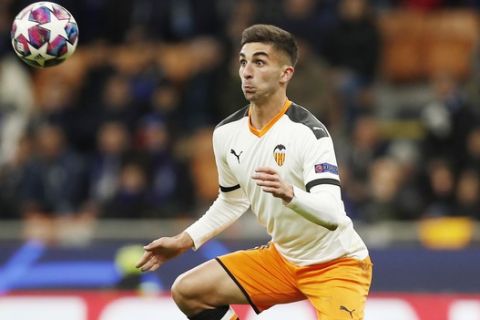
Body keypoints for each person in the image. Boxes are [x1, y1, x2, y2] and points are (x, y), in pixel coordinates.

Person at [136, 24, 372, 320]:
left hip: (336, 264)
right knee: (187, 291)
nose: (247, 71)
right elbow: (232, 200)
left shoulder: (310, 133)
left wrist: (290, 194)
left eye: (259, 62)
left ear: (286, 73)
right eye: (243, 61)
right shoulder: (225, 133)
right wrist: (184, 240)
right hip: (282, 259)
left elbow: (334, 214)